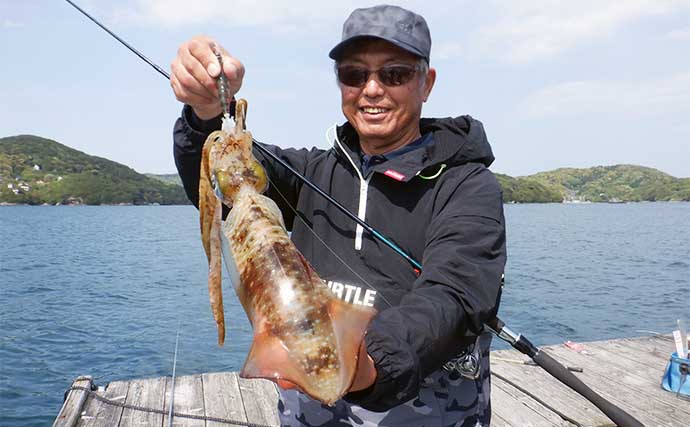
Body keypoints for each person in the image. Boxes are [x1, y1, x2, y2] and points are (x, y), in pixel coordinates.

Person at [172, 5, 506, 426]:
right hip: (308, 411)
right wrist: (206, 111)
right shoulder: (310, 173)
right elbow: (229, 180)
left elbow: (453, 297)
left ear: (427, 83)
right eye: (354, 75)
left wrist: (366, 364)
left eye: (394, 74)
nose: (371, 89)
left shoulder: (466, 187)